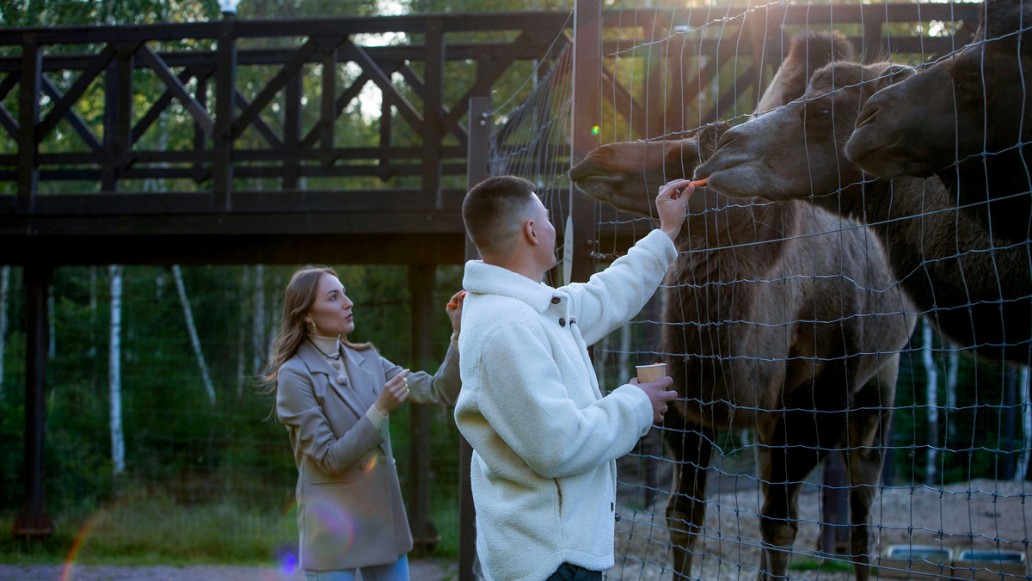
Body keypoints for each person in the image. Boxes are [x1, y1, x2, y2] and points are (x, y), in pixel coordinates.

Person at [454, 175, 693, 581]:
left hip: (549, 549)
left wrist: (665, 231)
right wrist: (636, 403)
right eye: (546, 217)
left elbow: (606, 294)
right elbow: (557, 446)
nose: (551, 225)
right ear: (532, 231)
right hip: (550, 562)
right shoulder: (507, 328)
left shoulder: (525, 309)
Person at [267, 266, 464, 581]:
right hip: (331, 532)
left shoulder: (369, 359)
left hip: (383, 525)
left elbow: (439, 390)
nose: (348, 302)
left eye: (345, 292)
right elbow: (330, 458)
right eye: (334, 297)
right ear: (307, 316)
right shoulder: (294, 374)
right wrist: (380, 409)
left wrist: (458, 335)